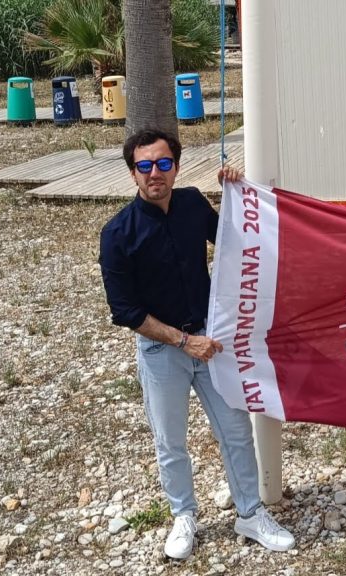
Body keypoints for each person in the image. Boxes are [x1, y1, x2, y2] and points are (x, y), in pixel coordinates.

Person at [98, 129, 295, 559]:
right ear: (133, 173)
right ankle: (184, 516)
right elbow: (125, 311)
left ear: (176, 167)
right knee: (171, 442)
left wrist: (237, 193)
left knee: (236, 432)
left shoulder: (190, 203)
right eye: (145, 166)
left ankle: (249, 513)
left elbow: (234, 239)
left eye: (163, 164)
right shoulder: (117, 235)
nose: (155, 174)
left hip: (211, 342)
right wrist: (182, 341)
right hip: (163, 352)